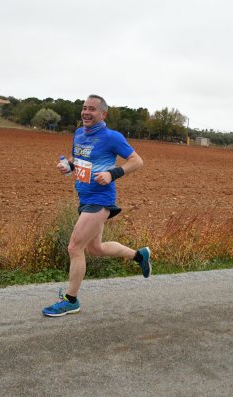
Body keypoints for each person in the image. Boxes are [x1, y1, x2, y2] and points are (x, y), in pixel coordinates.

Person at [42, 94, 151, 317]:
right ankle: (140, 256)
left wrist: (112, 174)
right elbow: (81, 163)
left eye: (92, 109)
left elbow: (137, 161)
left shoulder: (112, 137)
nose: (86, 112)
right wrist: (69, 167)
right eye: (84, 108)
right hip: (85, 197)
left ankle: (70, 300)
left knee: (74, 247)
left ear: (103, 114)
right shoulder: (79, 133)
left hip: (100, 199)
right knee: (95, 248)